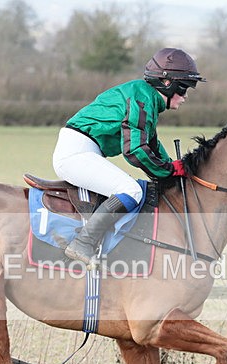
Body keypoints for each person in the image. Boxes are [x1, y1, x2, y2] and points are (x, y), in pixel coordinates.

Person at [52, 47, 206, 269]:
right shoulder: (141, 98)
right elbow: (135, 150)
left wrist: (172, 167)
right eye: (183, 89)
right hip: (76, 153)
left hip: (84, 150)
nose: (185, 97)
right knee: (131, 190)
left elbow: (151, 142)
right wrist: (168, 171)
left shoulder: (146, 97)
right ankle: (82, 244)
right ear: (166, 83)